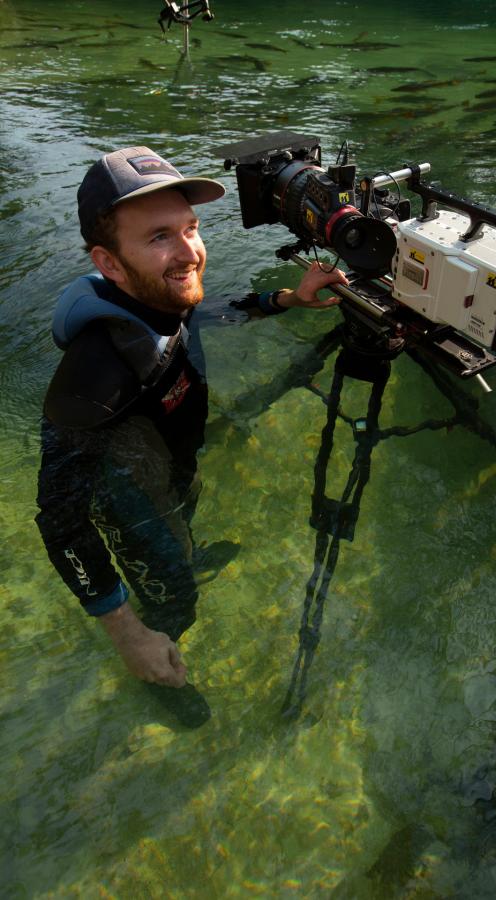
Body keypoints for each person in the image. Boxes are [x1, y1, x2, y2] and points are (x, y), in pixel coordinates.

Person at [35, 146, 348, 704]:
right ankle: (160, 665)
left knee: (187, 503)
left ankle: (186, 550)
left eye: (191, 228)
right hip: (132, 500)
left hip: (173, 466)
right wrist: (128, 635)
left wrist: (286, 299)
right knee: (175, 597)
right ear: (108, 263)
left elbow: (201, 312)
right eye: (160, 237)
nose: (190, 252)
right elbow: (60, 523)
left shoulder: (156, 299)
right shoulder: (92, 380)